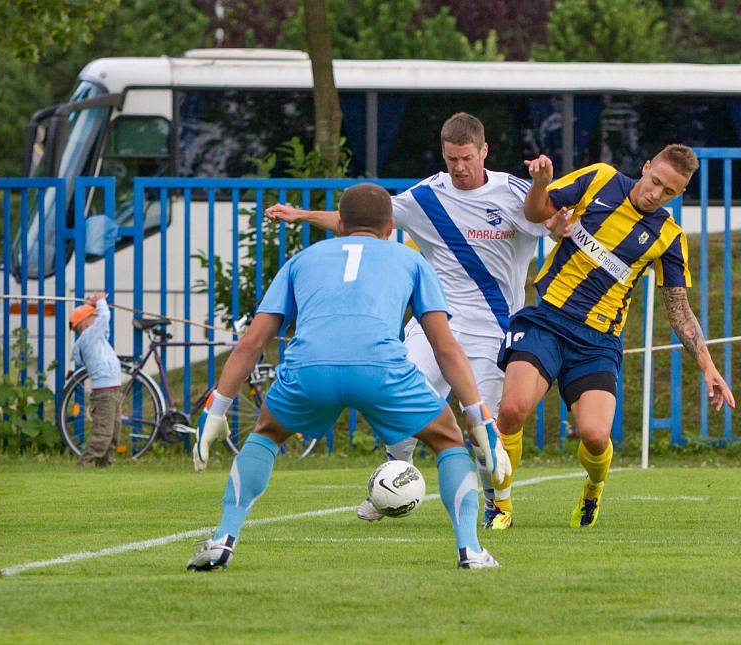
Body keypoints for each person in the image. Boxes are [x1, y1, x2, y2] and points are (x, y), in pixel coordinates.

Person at [265, 112, 571, 529]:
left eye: (467, 158)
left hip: (495, 329)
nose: (460, 168)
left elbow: (549, 223)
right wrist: (300, 215)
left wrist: (555, 215)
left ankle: (497, 502)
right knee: (402, 406)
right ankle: (391, 484)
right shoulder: (425, 197)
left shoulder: (514, 193)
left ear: (484, 151)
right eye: (451, 159)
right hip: (436, 325)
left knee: (481, 425)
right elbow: (358, 223)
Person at [188, 183, 510, 572]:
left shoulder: (302, 260)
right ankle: (471, 551)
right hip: (381, 367)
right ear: (391, 227)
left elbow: (252, 342)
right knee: (447, 439)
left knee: (267, 434)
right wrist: (480, 419)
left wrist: (216, 408)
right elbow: (445, 347)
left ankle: (224, 537)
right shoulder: (410, 261)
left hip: (310, 369)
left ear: (339, 225)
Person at [495, 145, 735, 528]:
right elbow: (535, 212)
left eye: (669, 192)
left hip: (598, 342)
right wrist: (540, 184)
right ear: (645, 167)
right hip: (548, 320)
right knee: (510, 411)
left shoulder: (669, 237)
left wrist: (708, 367)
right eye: (655, 181)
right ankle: (501, 505)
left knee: (594, 434)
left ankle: (592, 492)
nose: (656, 194)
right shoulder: (600, 179)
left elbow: (679, 308)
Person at [70, 291, 122, 467]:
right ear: (85, 322)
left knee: (114, 431)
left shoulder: (97, 338)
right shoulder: (87, 338)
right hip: (104, 393)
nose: (97, 317)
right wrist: (100, 302)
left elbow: (103, 324)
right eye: (94, 316)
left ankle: (104, 465)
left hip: (113, 390)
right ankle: (86, 463)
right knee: (103, 433)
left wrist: (94, 305)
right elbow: (104, 318)